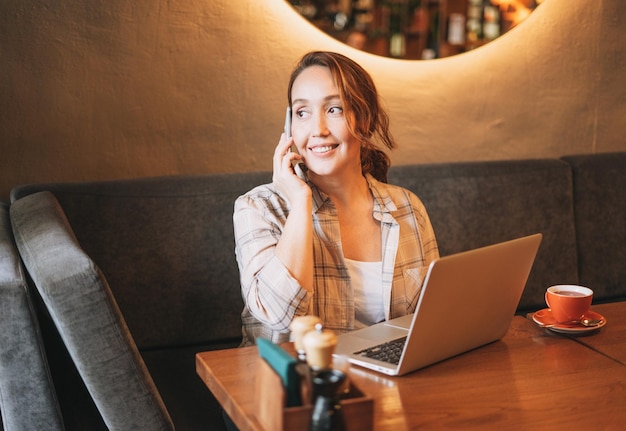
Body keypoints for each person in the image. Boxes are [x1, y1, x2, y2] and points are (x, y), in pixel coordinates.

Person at [233, 51, 439, 347]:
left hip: (390, 381)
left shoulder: (407, 208)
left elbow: (431, 318)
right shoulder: (259, 208)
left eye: (334, 109)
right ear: (290, 125)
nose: (317, 130)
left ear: (364, 119)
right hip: (290, 384)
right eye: (302, 113)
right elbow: (279, 317)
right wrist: (301, 202)